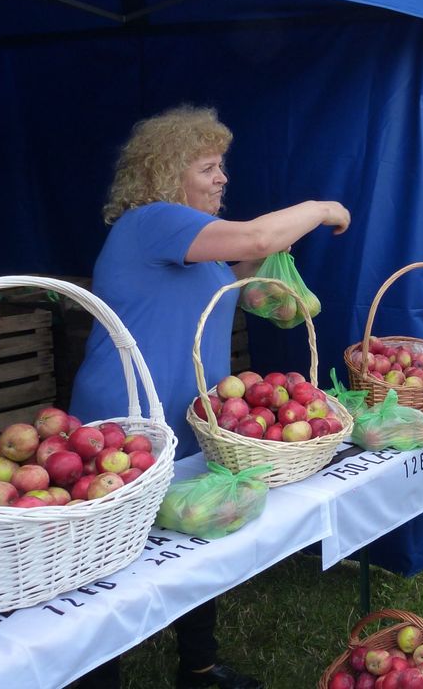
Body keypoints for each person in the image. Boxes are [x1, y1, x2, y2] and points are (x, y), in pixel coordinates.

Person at [70, 106, 351, 689]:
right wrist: (323, 209)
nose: (222, 178)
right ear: (169, 175)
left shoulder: (195, 247)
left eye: (222, 166)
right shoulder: (152, 222)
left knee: (193, 541)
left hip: (188, 422)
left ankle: (197, 666)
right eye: (207, 167)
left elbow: (244, 275)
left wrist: (269, 269)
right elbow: (257, 235)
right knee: (109, 566)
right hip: (127, 424)